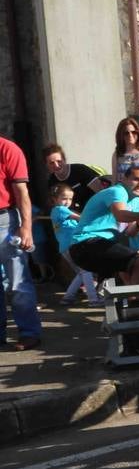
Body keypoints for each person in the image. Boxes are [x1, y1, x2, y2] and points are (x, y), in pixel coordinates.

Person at [68, 165, 139, 286]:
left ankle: (132, 301)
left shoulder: (135, 201)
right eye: (136, 179)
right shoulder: (117, 191)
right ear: (124, 179)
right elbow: (120, 215)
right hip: (85, 245)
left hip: (101, 246)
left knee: (119, 284)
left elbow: (129, 232)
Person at [0, 133, 41, 350]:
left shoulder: (8, 149)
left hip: (5, 222)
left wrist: (26, 227)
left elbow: (21, 191)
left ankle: (29, 332)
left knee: (17, 282)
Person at [49, 185, 102, 305]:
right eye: (64, 198)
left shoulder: (59, 211)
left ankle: (68, 297)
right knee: (86, 271)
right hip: (71, 246)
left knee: (81, 273)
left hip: (66, 247)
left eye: (70, 199)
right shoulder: (60, 210)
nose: (67, 202)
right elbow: (81, 218)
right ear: (55, 199)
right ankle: (94, 300)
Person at [41, 144, 106, 209]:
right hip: (79, 212)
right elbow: (58, 206)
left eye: (59, 161)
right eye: (51, 163)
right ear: (46, 165)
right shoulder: (52, 181)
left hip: (98, 206)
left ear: (64, 160)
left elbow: (102, 192)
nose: (56, 165)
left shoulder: (80, 170)